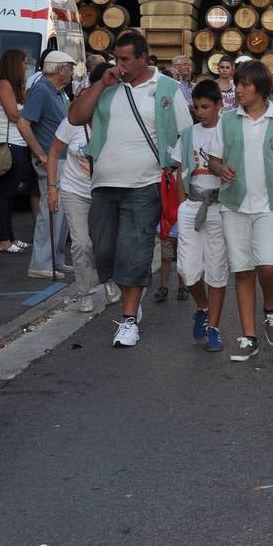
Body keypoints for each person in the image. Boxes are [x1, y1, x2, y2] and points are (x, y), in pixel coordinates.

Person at [69, 31, 191, 348]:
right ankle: (131, 298)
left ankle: (128, 319)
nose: (119, 64)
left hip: (145, 184)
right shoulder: (106, 86)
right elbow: (76, 116)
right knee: (104, 250)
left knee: (134, 250)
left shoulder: (167, 88)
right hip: (103, 184)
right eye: (116, 58)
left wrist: (176, 175)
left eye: (125, 59)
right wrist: (100, 84)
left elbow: (186, 135)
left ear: (143, 57)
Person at [206, 60, 273, 362]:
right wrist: (220, 168)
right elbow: (213, 159)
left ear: (260, 89)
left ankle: (270, 307)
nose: (239, 89)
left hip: (271, 204)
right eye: (238, 82)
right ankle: (249, 336)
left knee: (270, 265)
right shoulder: (227, 120)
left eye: (245, 84)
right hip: (233, 204)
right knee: (243, 270)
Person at [171, 79, 230, 350]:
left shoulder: (229, 131)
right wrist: (183, 205)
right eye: (196, 107)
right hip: (193, 206)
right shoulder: (188, 134)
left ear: (220, 104)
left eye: (206, 106)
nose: (200, 112)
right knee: (187, 269)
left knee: (217, 271)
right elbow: (180, 171)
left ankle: (214, 327)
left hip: (219, 207)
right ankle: (203, 308)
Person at [46, 62, 109, 314]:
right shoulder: (72, 123)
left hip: (104, 190)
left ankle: (109, 278)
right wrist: (52, 188)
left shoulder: (113, 122)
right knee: (82, 244)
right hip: (74, 190)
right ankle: (84, 292)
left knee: (105, 244)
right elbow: (53, 155)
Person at [19, 50, 75, 280]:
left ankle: (55, 259)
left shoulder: (52, 90)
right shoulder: (42, 89)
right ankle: (41, 263)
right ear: (60, 70)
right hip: (52, 159)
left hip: (59, 158)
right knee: (50, 210)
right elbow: (24, 124)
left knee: (59, 212)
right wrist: (41, 153)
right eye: (70, 67)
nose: (72, 72)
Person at [0, 48, 34, 254]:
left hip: (17, 143)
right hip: (8, 144)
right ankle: (3, 239)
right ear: (16, 64)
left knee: (9, 194)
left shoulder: (13, 86)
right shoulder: (4, 85)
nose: (26, 66)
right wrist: (34, 108)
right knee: (4, 194)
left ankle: (9, 237)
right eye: (24, 63)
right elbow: (14, 115)